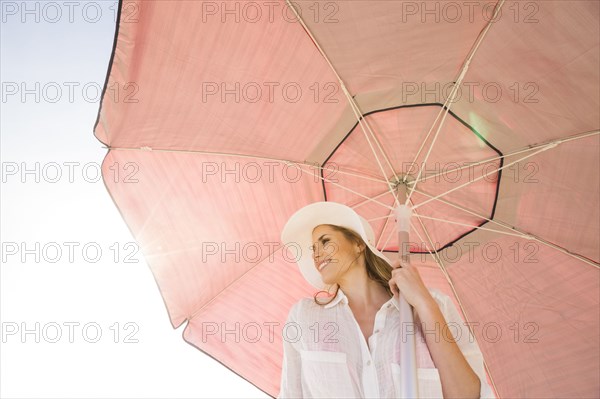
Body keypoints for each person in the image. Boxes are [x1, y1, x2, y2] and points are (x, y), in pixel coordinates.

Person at [278, 201, 495, 399]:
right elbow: (291, 394)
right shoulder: (305, 317)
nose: (316, 255)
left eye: (325, 242)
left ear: (358, 244)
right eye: (313, 249)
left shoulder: (431, 304)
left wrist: (423, 304)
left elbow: (468, 395)